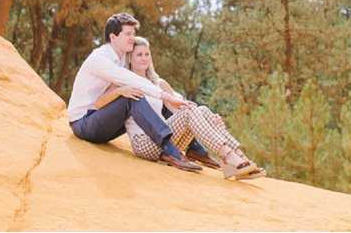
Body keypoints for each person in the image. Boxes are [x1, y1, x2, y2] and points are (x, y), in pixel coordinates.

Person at [95, 36, 266, 180]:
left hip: (166, 141)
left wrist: (210, 119)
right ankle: (230, 158)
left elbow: (180, 107)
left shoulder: (158, 83)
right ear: (129, 58)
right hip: (145, 144)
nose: (144, 58)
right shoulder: (123, 81)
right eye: (139, 54)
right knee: (192, 112)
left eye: (147, 54)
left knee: (202, 110)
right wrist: (120, 91)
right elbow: (98, 103)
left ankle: (238, 160)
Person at [67, 13, 202, 172]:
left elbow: (148, 81)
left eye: (133, 33)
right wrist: (165, 95)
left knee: (150, 99)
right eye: (128, 34)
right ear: (113, 36)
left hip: (103, 116)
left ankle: (195, 149)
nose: (132, 38)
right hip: (84, 124)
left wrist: (175, 99)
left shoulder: (123, 55)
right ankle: (170, 150)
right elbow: (130, 79)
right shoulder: (100, 59)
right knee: (132, 96)